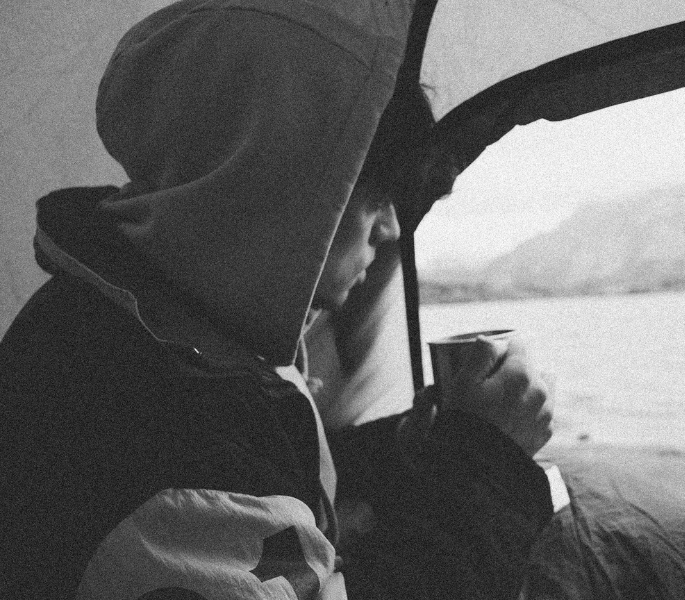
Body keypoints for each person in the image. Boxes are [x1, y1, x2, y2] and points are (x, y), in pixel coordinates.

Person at [0, 1, 555, 598]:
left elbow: (265, 466)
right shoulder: (139, 420)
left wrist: (410, 450)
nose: (393, 228)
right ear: (279, 182)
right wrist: (486, 462)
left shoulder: (141, 332)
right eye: (374, 194)